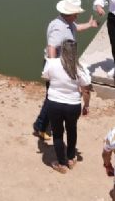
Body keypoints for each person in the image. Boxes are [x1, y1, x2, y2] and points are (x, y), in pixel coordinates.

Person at [33, 0, 97, 140]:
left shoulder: (66, 22)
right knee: (51, 97)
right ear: (69, 14)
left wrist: (89, 25)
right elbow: (51, 47)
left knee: (51, 96)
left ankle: (41, 124)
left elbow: (76, 28)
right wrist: (52, 68)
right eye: (76, 14)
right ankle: (40, 127)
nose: (77, 16)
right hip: (57, 66)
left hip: (62, 64)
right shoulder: (58, 28)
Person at [43, 39, 92, 173]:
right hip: (73, 105)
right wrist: (86, 105)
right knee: (72, 130)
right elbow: (86, 91)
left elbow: (46, 77)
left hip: (54, 103)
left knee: (57, 134)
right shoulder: (80, 68)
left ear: (62, 50)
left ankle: (61, 163)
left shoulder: (52, 63)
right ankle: (70, 158)